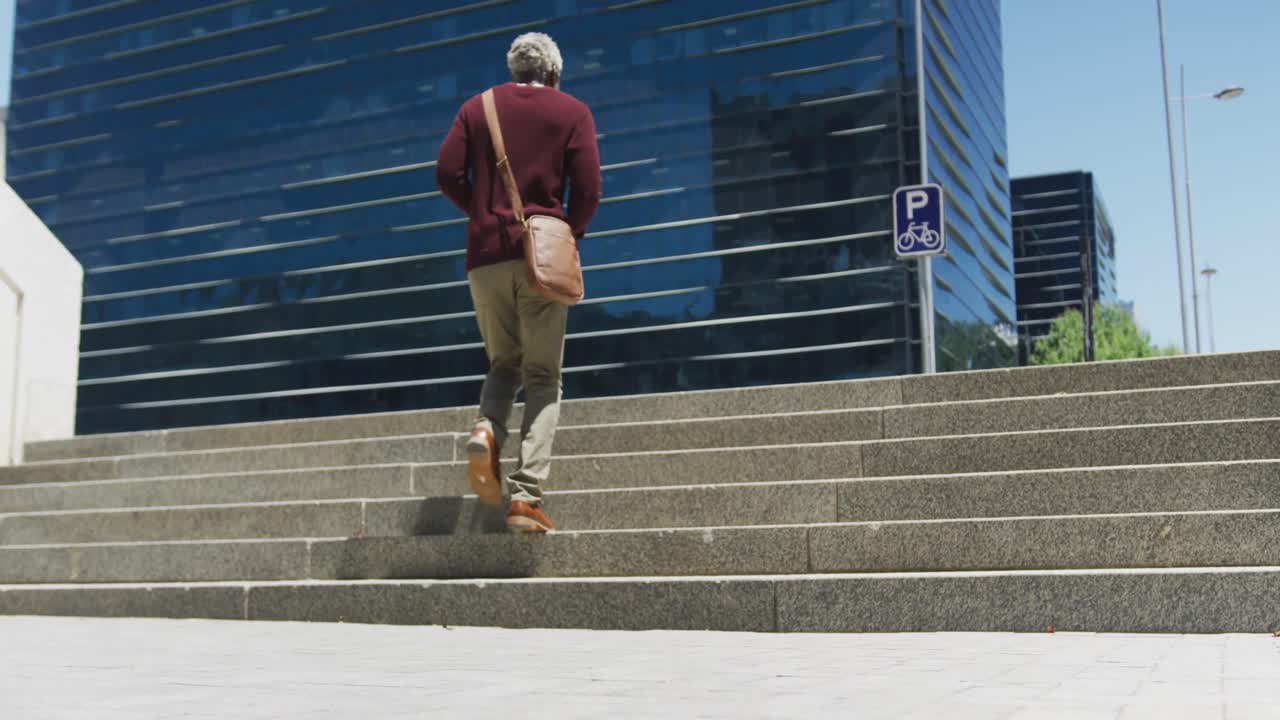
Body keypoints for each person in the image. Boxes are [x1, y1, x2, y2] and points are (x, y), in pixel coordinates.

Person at [436, 33, 602, 533]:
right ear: (553, 73)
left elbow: (446, 171)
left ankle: (487, 430)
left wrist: (486, 216)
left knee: (503, 361)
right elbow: (589, 188)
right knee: (543, 377)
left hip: (484, 259)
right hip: (540, 262)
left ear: (515, 69)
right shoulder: (572, 112)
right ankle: (526, 498)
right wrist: (563, 232)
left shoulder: (477, 107)